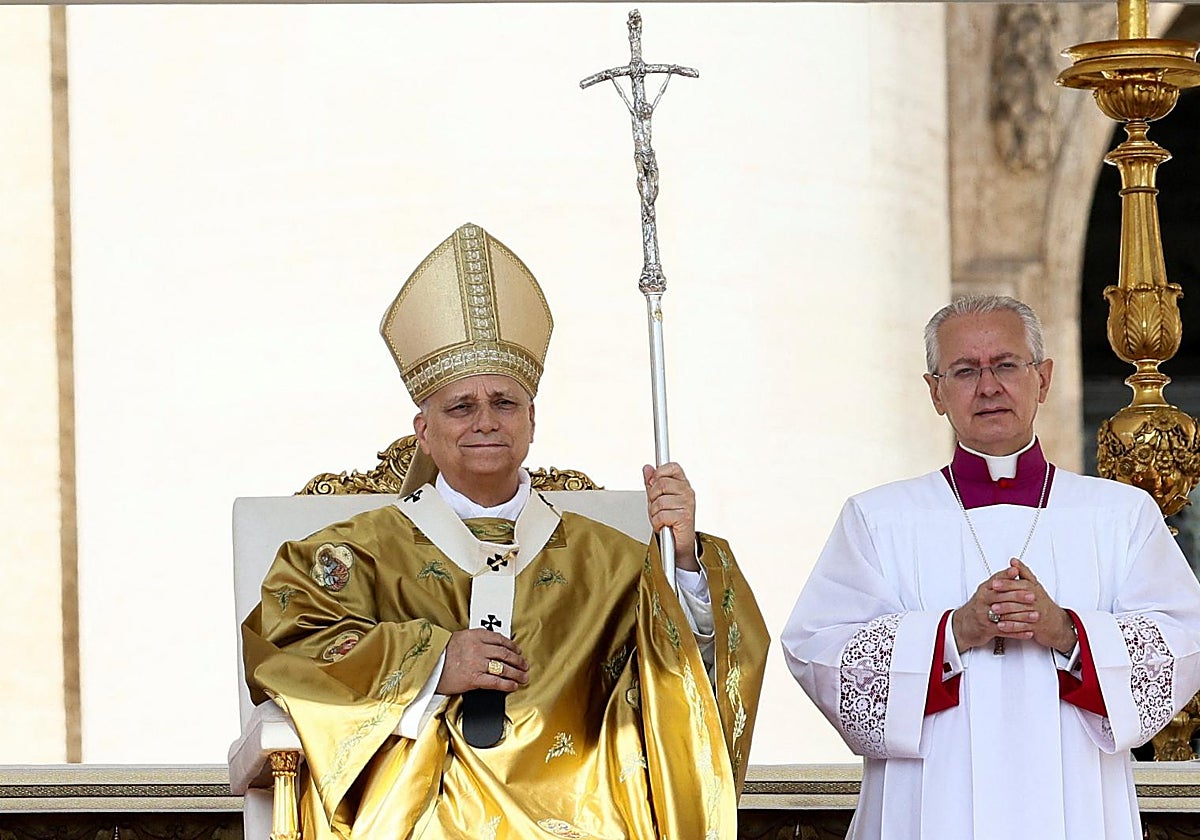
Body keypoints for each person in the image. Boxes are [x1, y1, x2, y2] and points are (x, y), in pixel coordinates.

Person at [242, 222, 768, 840]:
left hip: (585, 810)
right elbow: (285, 644)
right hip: (416, 810)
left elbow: (690, 681)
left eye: (504, 403)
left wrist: (681, 561)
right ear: (423, 429)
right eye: (460, 407)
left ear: (532, 420)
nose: (484, 422)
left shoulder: (613, 563)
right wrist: (433, 661)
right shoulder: (351, 555)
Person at [781, 294, 1200, 840]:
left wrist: (1067, 632)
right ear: (935, 392)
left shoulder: (1119, 515)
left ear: (1043, 379)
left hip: (1074, 805)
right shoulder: (879, 518)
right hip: (928, 809)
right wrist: (952, 633)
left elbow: (1183, 639)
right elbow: (816, 648)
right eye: (964, 370)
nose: (988, 386)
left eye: (1006, 364)